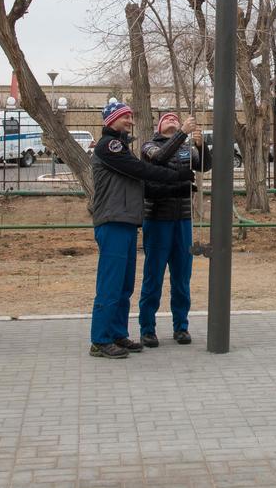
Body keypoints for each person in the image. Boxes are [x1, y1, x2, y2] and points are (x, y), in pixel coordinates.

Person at [88, 100, 194, 359]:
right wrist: (176, 177)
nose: (130, 121)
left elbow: (140, 184)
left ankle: (117, 334)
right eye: (125, 117)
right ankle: (100, 340)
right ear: (110, 120)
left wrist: (176, 189)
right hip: (112, 222)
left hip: (126, 222)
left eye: (131, 117)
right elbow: (142, 169)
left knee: (124, 286)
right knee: (110, 284)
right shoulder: (110, 146)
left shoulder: (121, 148)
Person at [138, 112, 211, 348]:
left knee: (182, 277)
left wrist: (202, 145)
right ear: (159, 126)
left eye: (175, 119)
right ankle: (147, 329)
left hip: (183, 220)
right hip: (157, 219)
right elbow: (159, 158)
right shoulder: (149, 145)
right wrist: (182, 134)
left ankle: (181, 326)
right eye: (167, 119)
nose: (172, 120)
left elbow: (205, 166)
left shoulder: (186, 148)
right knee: (153, 276)